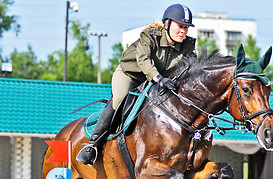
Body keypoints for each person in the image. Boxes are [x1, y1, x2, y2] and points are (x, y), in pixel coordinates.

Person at [76, 4, 196, 165]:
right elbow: (143, 60)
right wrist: (159, 79)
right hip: (130, 74)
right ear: (167, 24)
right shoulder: (149, 36)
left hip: (159, 81)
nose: (183, 31)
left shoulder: (188, 45)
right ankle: (92, 145)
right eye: (180, 26)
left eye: (186, 28)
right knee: (119, 99)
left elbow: (191, 70)